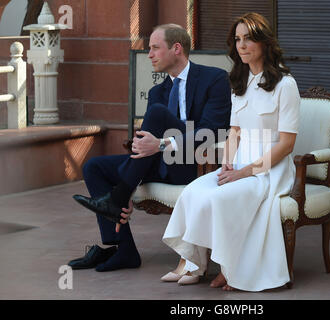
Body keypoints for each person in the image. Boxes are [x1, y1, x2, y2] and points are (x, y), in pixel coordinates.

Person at [68, 24, 232, 272]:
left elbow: (212, 131)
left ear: (176, 48)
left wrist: (163, 143)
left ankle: (119, 195)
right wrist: (143, 155)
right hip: (159, 163)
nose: (150, 55)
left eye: (155, 48)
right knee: (94, 167)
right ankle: (123, 250)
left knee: (157, 114)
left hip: (196, 163)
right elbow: (147, 142)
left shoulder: (214, 78)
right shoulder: (158, 91)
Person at [161, 12, 300, 291]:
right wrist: (227, 164)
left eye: (248, 39)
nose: (242, 45)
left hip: (269, 170)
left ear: (264, 42)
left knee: (221, 198)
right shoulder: (239, 82)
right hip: (238, 164)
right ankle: (194, 263)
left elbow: (287, 144)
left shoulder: (285, 84)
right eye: (237, 40)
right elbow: (234, 132)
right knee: (194, 191)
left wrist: (245, 172)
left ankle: (231, 268)